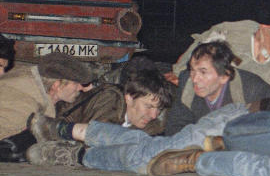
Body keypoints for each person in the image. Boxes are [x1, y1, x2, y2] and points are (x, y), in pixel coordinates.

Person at [26, 68, 175, 166]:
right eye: (148, 106)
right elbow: (97, 142)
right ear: (129, 98)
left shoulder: (155, 124)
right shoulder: (111, 99)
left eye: (159, 108)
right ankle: (56, 130)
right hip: (45, 129)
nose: (154, 115)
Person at [164, 40, 270, 135]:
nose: (195, 79)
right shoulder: (187, 83)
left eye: (203, 72)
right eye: (193, 70)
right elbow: (175, 127)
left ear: (224, 76)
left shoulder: (252, 89)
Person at [0, 52, 93, 163]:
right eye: (76, 84)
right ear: (57, 85)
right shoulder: (23, 106)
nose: (81, 88)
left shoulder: (33, 86)